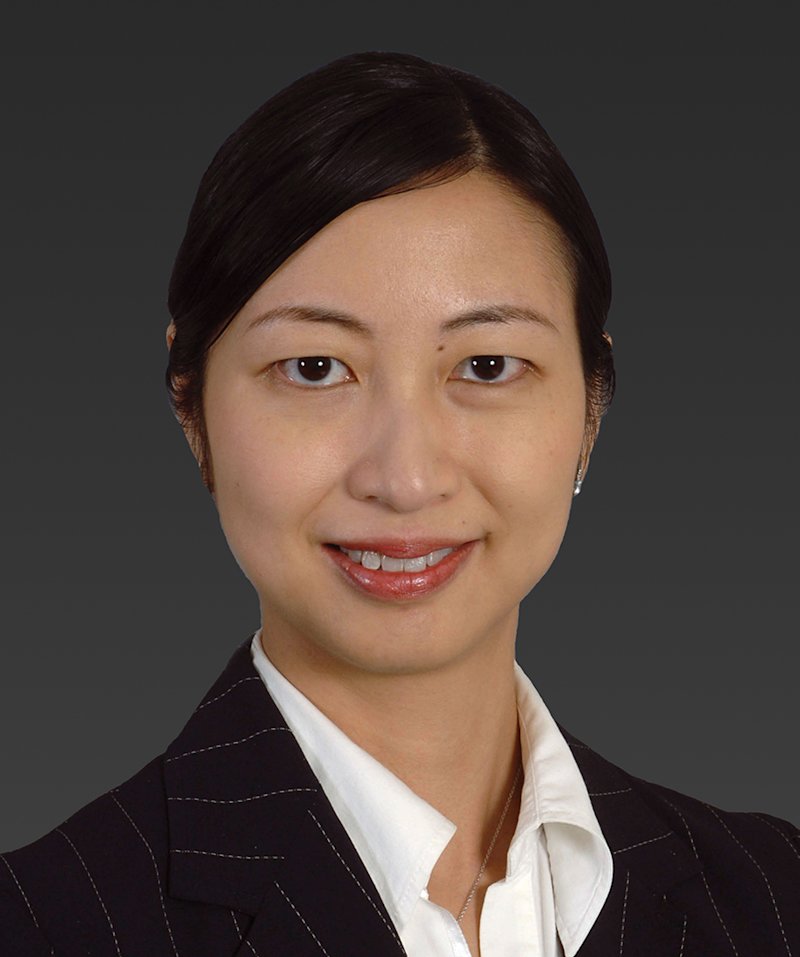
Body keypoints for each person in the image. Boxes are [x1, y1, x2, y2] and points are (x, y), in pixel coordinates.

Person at [1, 50, 797, 957]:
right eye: (314, 368)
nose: (407, 477)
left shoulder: (772, 895)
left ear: (591, 408)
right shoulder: (42, 925)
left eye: (487, 366)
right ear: (192, 408)